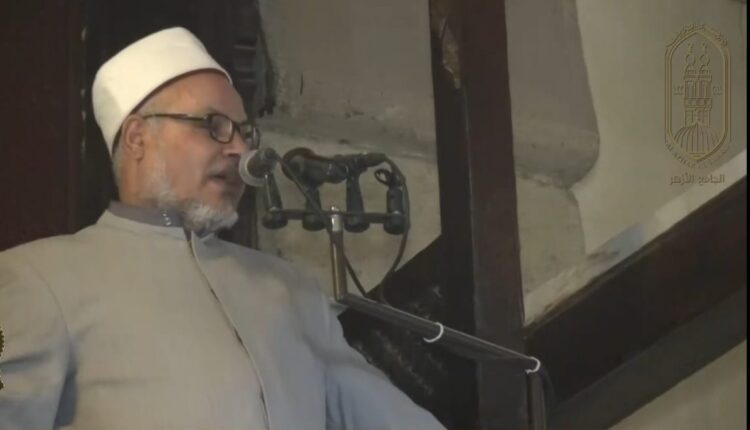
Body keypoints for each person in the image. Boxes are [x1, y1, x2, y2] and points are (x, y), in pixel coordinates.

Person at [0, 27, 445, 430]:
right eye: (213, 126)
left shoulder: (289, 290)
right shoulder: (39, 279)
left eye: (245, 132)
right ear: (137, 137)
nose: (239, 149)